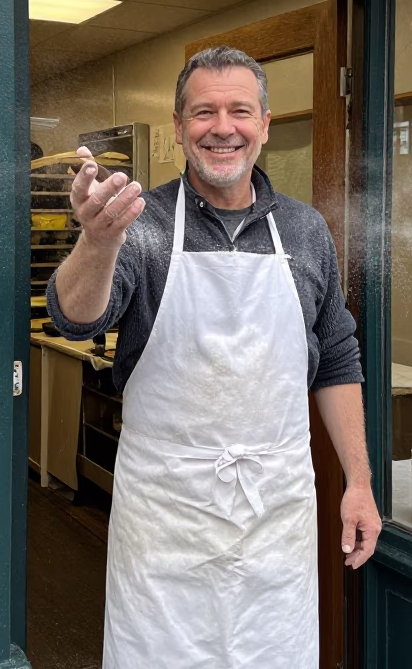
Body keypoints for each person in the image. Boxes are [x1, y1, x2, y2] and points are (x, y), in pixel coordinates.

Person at [47, 45, 380, 669]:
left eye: (239, 111)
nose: (222, 128)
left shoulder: (305, 230)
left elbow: (336, 357)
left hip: (275, 514)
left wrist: (358, 483)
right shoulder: (140, 223)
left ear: (264, 125)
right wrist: (96, 242)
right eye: (204, 112)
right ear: (179, 128)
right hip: (167, 519)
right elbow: (76, 316)